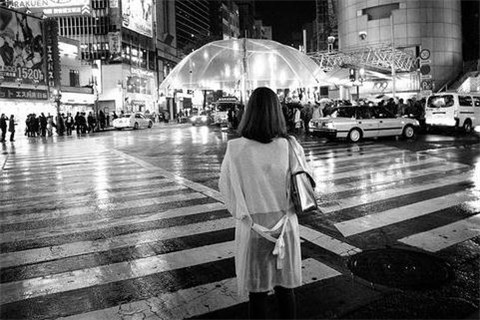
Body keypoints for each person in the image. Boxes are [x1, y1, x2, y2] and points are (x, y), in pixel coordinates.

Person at [219, 87, 304, 319]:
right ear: (277, 112)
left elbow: (226, 189)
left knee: (257, 294)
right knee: (285, 290)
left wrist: (244, 212)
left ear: (249, 112)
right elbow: (306, 184)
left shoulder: (236, 149)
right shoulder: (291, 146)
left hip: (254, 230)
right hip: (285, 228)